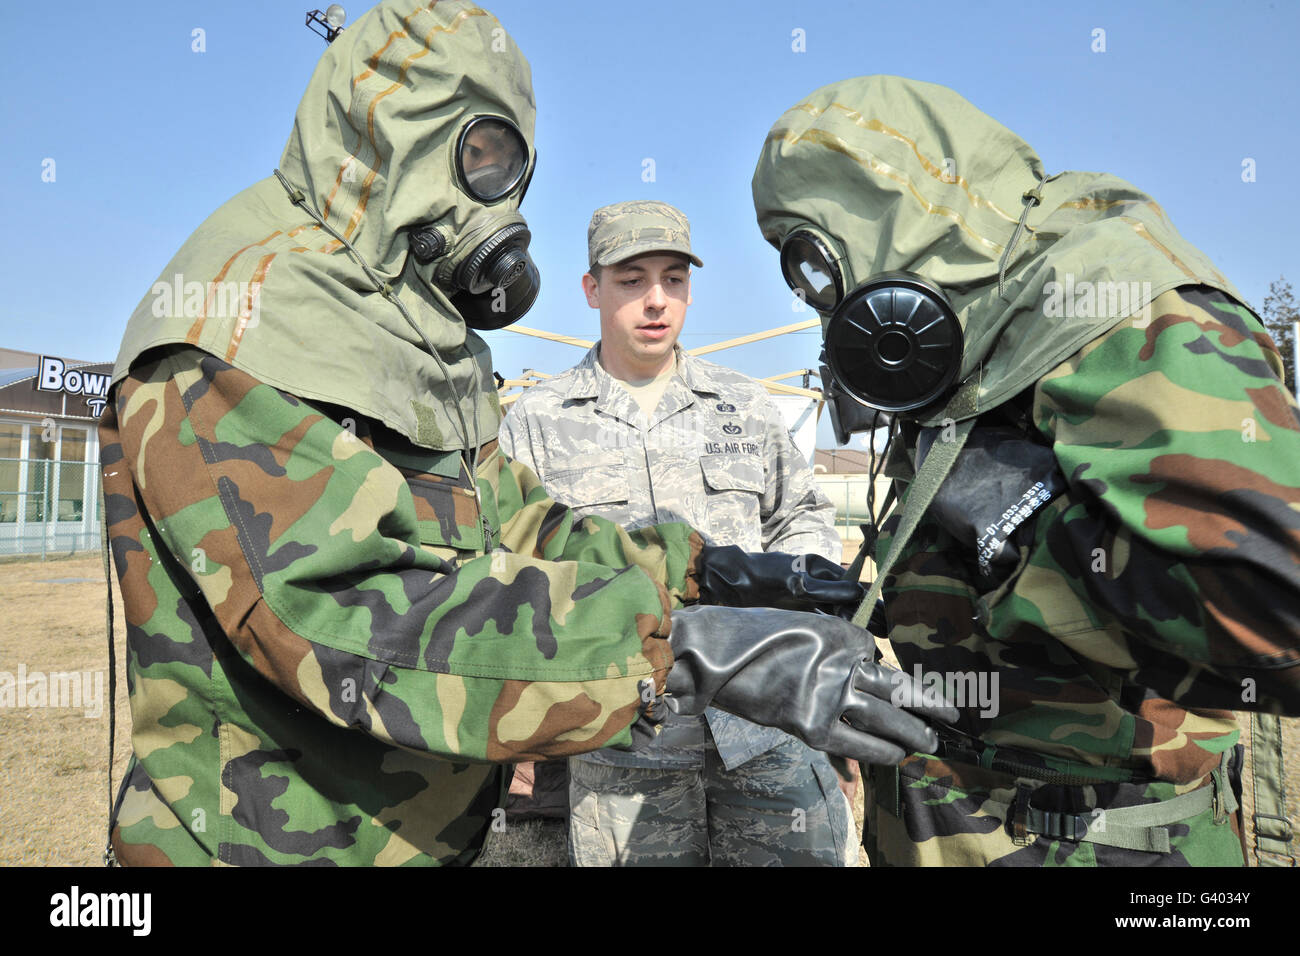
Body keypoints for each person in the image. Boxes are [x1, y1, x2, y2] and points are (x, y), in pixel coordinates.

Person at [100, 5, 951, 866]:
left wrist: (707, 571)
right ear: (385, 138)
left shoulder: (397, 320)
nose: (491, 196)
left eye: (504, 166)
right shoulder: (251, 316)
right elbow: (338, 618)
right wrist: (687, 648)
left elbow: (517, 526)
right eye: (470, 159)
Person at [751, 74, 1300, 866]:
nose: (816, 296)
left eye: (810, 258)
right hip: (960, 821)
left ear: (881, 215)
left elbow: (1277, 620)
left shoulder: (1117, 308)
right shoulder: (976, 332)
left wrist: (1028, 521)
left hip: (1108, 844)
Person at [500, 200, 857, 866]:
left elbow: (800, 514)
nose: (656, 301)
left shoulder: (743, 405)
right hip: (622, 752)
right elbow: (516, 573)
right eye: (631, 280)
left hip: (764, 733)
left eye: (674, 279)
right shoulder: (537, 423)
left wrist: (798, 632)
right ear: (591, 289)